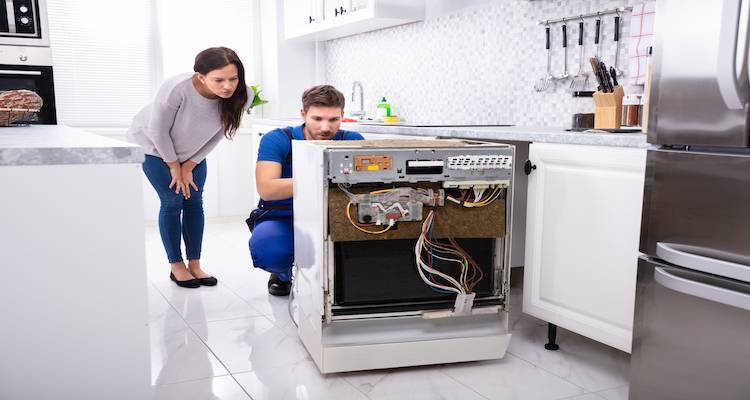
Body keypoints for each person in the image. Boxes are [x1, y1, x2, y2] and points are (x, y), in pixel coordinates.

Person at [128, 47, 250, 288]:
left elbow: (219, 133)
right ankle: (177, 266)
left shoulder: (241, 95)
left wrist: (190, 164)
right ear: (200, 77)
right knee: (173, 201)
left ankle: (195, 265)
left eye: (233, 79)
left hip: (192, 152)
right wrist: (174, 165)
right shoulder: (177, 88)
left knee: (194, 201)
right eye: (219, 80)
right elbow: (157, 130)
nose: (228, 86)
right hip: (153, 147)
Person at [249, 85, 364, 296]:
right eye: (317, 119)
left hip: (334, 214)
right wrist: (322, 177)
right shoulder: (277, 139)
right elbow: (267, 189)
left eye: (333, 119)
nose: (325, 127)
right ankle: (282, 273)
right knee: (271, 251)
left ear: (342, 116)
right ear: (303, 114)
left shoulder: (352, 140)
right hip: (283, 215)